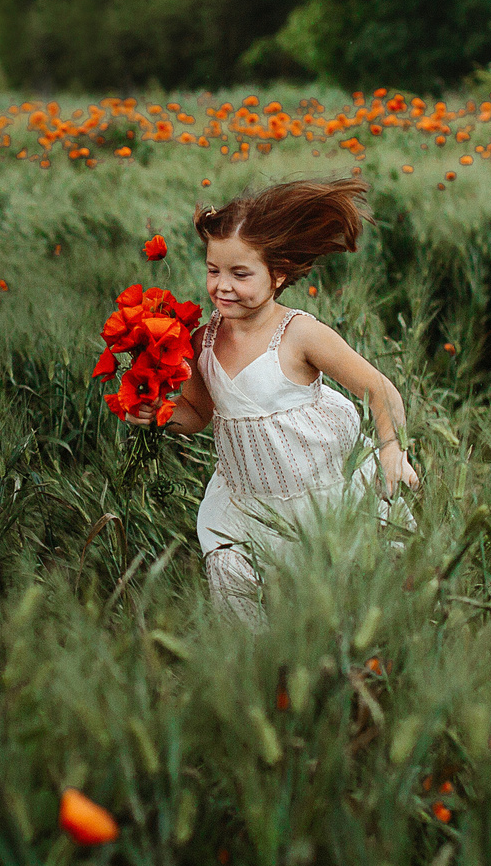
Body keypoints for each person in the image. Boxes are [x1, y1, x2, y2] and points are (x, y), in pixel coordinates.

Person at [150, 178, 418, 621]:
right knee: (234, 581)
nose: (222, 286)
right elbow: (197, 414)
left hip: (320, 493)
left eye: (241, 274)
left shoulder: (297, 335)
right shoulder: (202, 340)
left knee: (348, 597)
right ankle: (256, 674)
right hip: (248, 501)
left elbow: (379, 390)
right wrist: (157, 412)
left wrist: (391, 448)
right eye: (213, 270)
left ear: (278, 274)